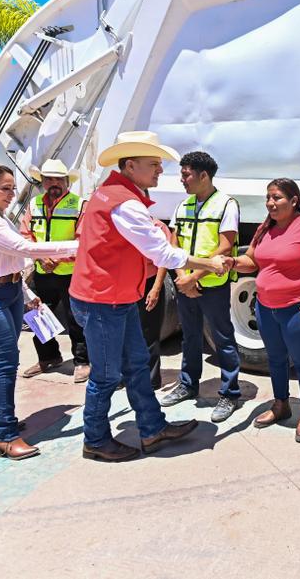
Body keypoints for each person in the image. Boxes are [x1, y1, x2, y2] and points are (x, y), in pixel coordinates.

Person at [69, 131, 232, 463]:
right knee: (106, 376)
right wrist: (208, 263)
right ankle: (96, 439)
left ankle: (152, 427)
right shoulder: (125, 203)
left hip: (114, 296)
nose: (161, 171)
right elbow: (162, 254)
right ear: (130, 166)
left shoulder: (109, 194)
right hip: (104, 300)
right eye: (154, 165)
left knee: (137, 364)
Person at [0, 164, 78, 461]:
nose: (12, 195)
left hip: (6, 291)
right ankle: (6, 436)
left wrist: (25, 293)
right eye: (5, 189)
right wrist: (84, 245)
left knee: (0, 361)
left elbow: (8, 259)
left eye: (12, 188)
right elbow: (22, 247)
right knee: (5, 364)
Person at [233, 179, 300, 442]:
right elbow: (252, 261)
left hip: (297, 310)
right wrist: (232, 262)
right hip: (266, 308)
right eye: (268, 197)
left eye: (277, 197)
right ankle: (280, 405)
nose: (270, 203)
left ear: (294, 201)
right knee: (276, 359)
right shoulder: (265, 228)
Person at [159, 151, 242, 425]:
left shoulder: (226, 204)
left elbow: (225, 246)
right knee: (190, 337)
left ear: (203, 175)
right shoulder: (183, 206)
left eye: (186, 174)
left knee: (223, 339)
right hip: (187, 284)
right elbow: (174, 243)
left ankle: (229, 393)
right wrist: (182, 278)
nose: (182, 180)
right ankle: (187, 384)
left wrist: (192, 278)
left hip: (212, 286)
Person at [18, 159, 90, 383]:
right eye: (49, 179)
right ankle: (49, 357)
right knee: (38, 315)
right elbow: (25, 234)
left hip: (70, 272)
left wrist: (57, 259)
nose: (54, 183)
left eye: (59, 179)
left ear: (67, 181)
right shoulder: (34, 204)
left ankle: (82, 362)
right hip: (42, 271)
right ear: (42, 182)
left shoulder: (80, 205)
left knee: (75, 317)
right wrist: (41, 257)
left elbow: (83, 239)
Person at [139, 211, 174, 390]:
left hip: (149, 283)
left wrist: (156, 288)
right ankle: (126, 376)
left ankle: (152, 380)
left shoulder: (158, 227)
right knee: (126, 334)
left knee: (149, 334)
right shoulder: (126, 226)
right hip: (127, 285)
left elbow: (164, 259)